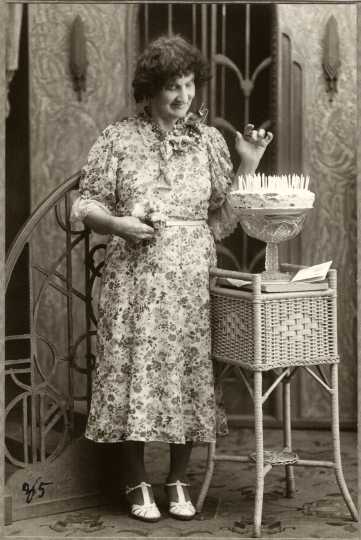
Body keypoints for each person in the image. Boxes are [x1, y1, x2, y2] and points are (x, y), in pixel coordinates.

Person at [71, 34, 273, 523]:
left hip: (189, 282)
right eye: (171, 87)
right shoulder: (119, 138)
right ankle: (135, 478)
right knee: (133, 372)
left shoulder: (206, 141)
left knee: (187, 373)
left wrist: (248, 162)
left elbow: (221, 221)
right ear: (149, 91)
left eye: (188, 85)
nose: (183, 97)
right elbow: (86, 202)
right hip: (135, 281)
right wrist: (118, 224)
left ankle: (178, 478)